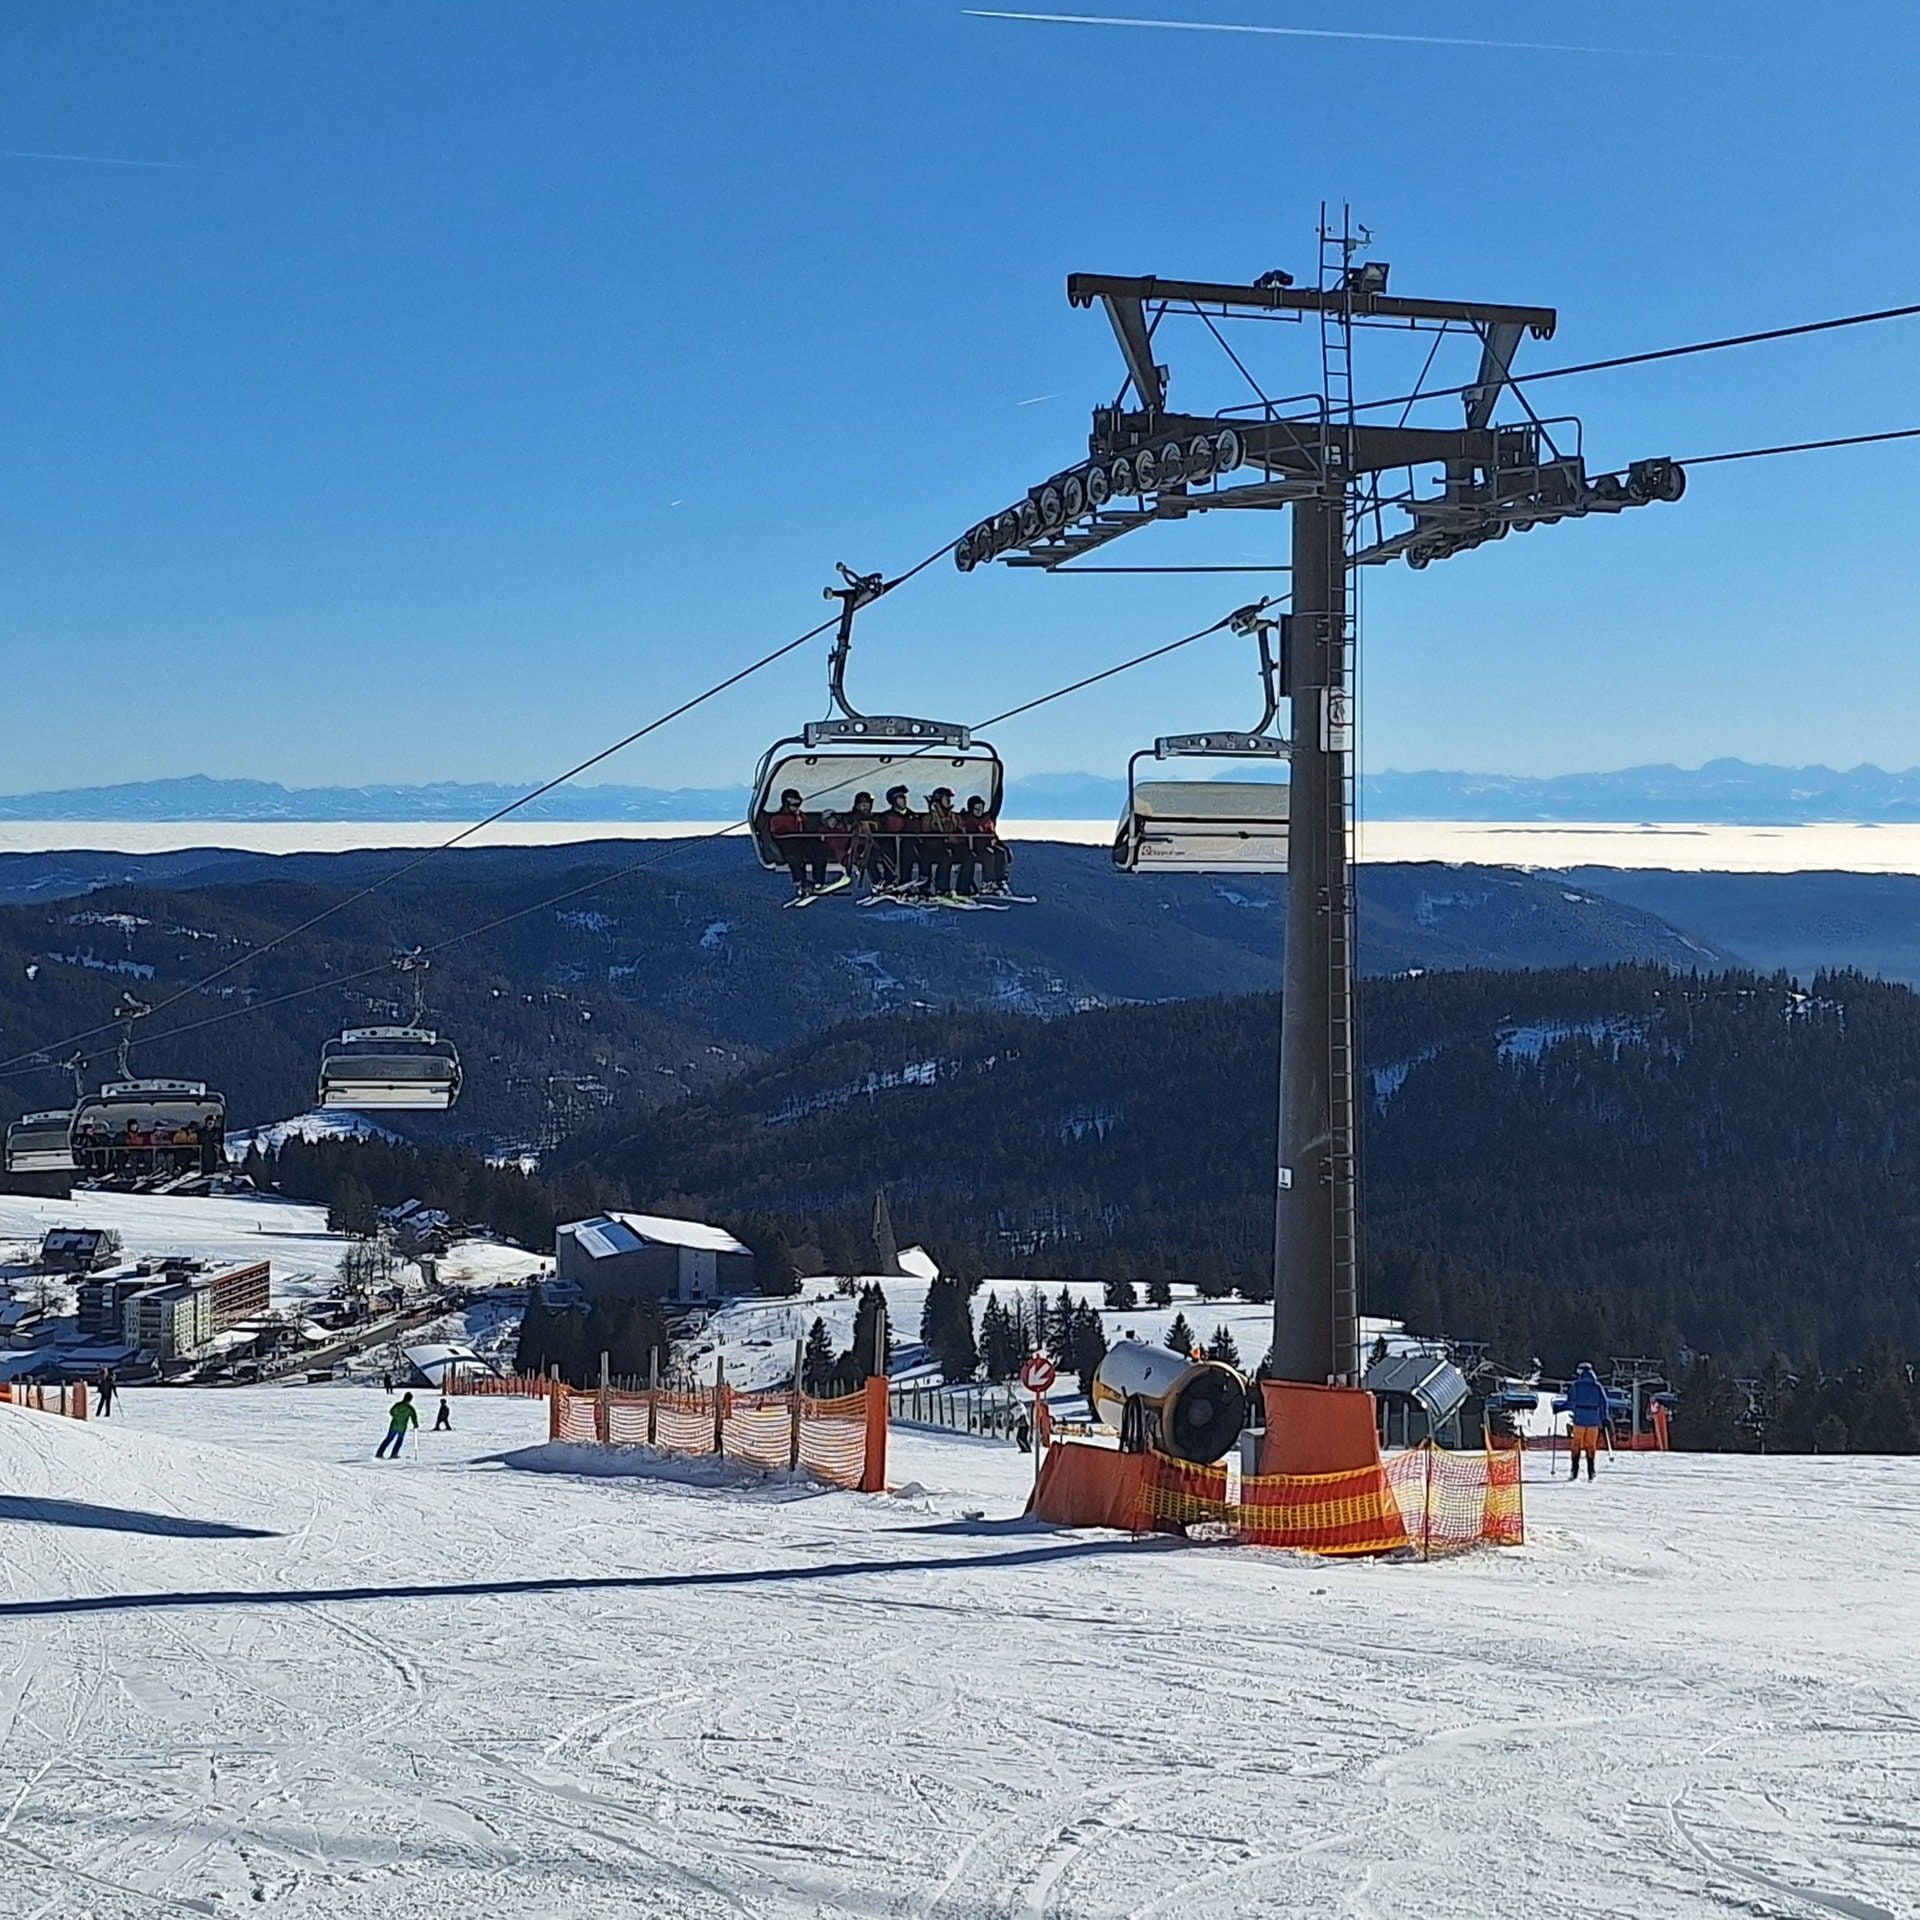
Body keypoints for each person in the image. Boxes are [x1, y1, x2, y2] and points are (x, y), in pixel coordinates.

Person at [765, 788, 829, 896]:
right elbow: (777, 831)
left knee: (819, 851)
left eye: (798, 803)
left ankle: (819, 881)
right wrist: (795, 820)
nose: (796, 807)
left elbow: (806, 829)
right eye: (794, 804)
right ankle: (801, 881)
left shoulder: (801, 817)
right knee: (794, 857)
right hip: (787, 845)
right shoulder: (778, 818)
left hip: (801, 843)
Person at [920, 787, 970, 897]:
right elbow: (925, 837)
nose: (949, 800)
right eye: (946, 798)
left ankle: (963, 888)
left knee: (968, 857)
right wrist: (943, 839)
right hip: (935, 850)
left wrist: (957, 837)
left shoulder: (954, 817)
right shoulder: (930, 818)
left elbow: (962, 832)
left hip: (953, 847)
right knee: (945, 857)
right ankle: (941, 889)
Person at [959, 794, 1012, 895]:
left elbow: (991, 834)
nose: (979, 811)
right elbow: (973, 836)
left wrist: (1001, 845)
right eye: (976, 809)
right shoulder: (969, 820)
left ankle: (1000, 880)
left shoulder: (986, 820)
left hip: (988, 844)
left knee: (1001, 853)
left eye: (981, 808)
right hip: (975, 847)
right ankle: (988, 882)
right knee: (988, 857)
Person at [1566, 1363, 1609, 1481]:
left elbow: (1570, 1401)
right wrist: (1604, 1418)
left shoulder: (1576, 1386)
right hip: (1593, 1420)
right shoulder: (1597, 1386)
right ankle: (1591, 1472)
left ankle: (1574, 1471)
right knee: (1590, 1446)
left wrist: (1559, 1408)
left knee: (1576, 1445)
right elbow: (1604, 1403)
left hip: (1579, 1419)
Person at [874, 785, 919, 893]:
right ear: (893, 800)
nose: (903, 800)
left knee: (909, 846)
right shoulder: (886, 816)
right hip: (891, 847)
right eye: (900, 798)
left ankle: (905, 880)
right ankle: (889, 881)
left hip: (907, 848)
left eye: (904, 797)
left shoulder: (912, 815)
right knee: (887, 850)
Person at [376, 1391, 419, 1459]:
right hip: (402, 1427)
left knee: (388, 1439)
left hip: (394, 1425)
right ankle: (394, 1453)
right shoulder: (410, 1408)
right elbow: (414, 1417)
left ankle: (379, 1453)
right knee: (399, 1441)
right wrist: (415, 1424)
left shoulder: (398, 1405)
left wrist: (396, 1416)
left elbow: (391, 1411)